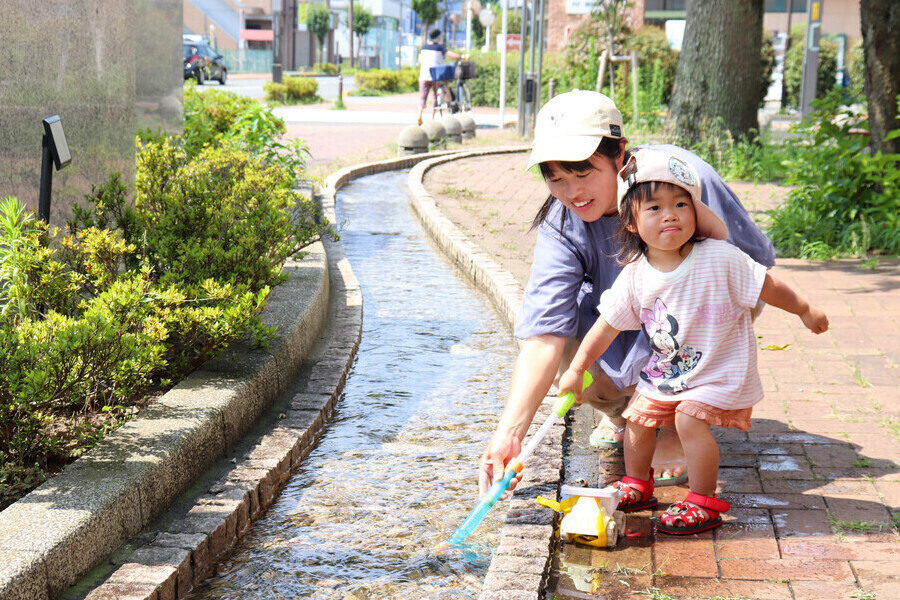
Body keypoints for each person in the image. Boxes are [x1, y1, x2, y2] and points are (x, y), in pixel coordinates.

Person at [479, 90, 777, 499]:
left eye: (583, 172)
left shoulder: (680, 180)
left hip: (705, 301)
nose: (572, 192)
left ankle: (670, 420)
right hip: (635, 313)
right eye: (556, 177)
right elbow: (543, 336)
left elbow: (746, 266)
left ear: (619, 153)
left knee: (684, 306)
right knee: (570, 329)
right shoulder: (561, 223)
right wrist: (508, 435)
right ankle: (626, 412)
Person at [556, 148, 828, 534]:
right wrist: (577, 369)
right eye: (654, 208)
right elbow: (606, 326)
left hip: (717, 369)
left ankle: (702, 498)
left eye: (681, 204)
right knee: (636, 417)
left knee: (688, 419)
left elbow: (766, 284)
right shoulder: (636, 274)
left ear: (695, 213)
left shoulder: (719, 257)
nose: (670, 214)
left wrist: (804, 309)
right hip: (668, 369)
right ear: (631, 223)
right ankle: (637, 482)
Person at [416, 29, 460, 126]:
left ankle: (419, 115)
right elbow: (451, 55)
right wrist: (460, 56)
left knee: (422, 96)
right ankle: (433, 117)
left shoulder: (423, 47)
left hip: (423, 75)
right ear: (438, 38)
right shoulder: (440, 48)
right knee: (436, 96)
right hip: (436, 76)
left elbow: (419, 60)